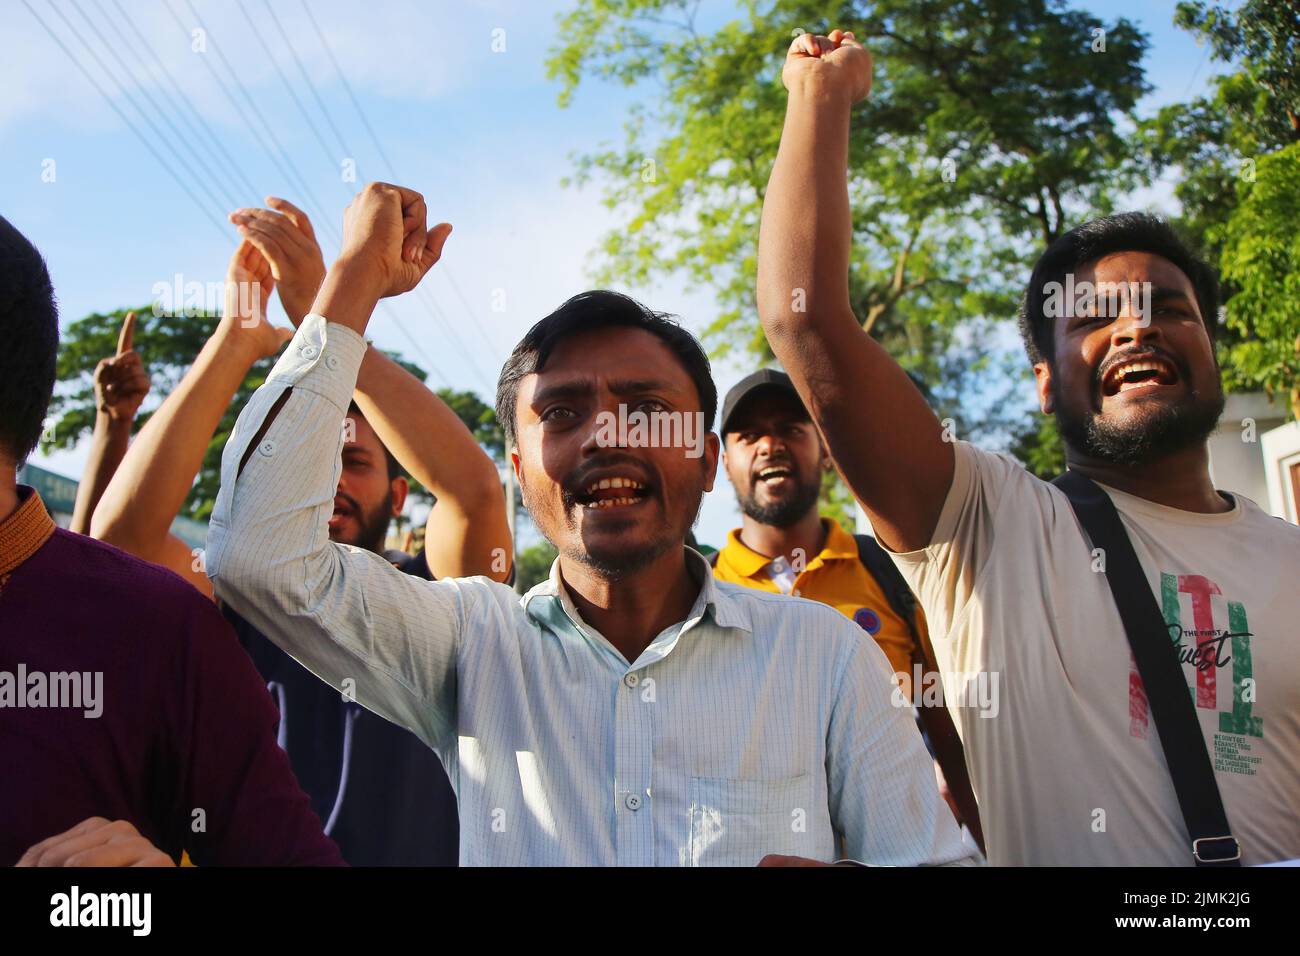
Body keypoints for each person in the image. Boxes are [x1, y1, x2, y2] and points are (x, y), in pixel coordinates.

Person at [206, 181, 977, 867]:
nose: (607, 435)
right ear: (519, 471)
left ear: (706, 462)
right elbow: (257, 557)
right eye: (563, 412)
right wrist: (351, 283)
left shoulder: (826, 657)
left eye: (646, 408)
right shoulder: (471, 645)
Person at [756, 29, 1300, 865]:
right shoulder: (981, 524)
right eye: (1092, 319)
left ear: (1213, 350)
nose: (1135, 328)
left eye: (1170, 308)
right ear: (1045, 384)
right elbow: (805, 319)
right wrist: (820, 96)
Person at [90, 198, 510, 865]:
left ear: (399, 494)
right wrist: (237, 338)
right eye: (314, 457)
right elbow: (122, 544)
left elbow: (474, 490)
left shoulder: (439, 604)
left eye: (353, 459)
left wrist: (334, 312)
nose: (326, 477)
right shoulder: (238, 597)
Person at [0, 214, 341, 867]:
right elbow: (120, 535)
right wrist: (232, 343)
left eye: (339, 462)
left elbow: (116, 550)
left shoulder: (156, 625)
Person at [711, 368, 983, 849]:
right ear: (722, 463)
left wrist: (994, 848)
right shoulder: (697, 591)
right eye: (749, 435)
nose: (770, 446)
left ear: (827, 452)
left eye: (792, 430)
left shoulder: (894, 571)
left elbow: (952, 743)